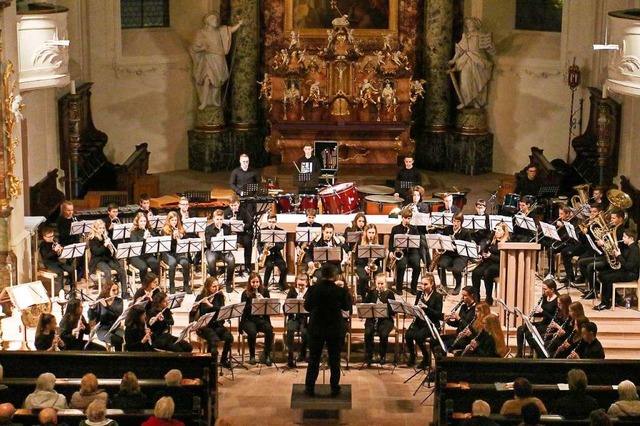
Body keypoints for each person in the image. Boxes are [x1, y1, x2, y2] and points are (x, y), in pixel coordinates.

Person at [304, 263, 351, 398]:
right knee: (334, 360)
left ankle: (309, 388)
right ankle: (335, 389)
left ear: (321, 275)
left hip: (317, 328)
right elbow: (347, 308)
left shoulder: (314, 289)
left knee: (314, 358)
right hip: (334, 329)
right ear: (334, 276)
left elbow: (307, 307)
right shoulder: (340, 291)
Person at [190, 12, 243, 109]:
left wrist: (239, 24)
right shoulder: (201, 32)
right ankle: (204, 101)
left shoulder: (219, 31)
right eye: (213, 20)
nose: (216, 21)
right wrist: (202, 48)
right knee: (207, 79)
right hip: (208, 58)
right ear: (208, 21)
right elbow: (194, 47)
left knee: (218, 80)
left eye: (216, 20)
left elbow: (230, 30)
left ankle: (214, 99)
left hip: (219, 58)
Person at [578, 208, 625, 300]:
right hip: (606, 256)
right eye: (611, 218)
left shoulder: (622, 231)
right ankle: (594, 289)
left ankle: (595, 290)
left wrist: (604, 243)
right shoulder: (612, 228)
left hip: (615, 259)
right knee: (582, 262)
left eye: (613, 218)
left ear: (620, 219)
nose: (611, 220)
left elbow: (618, 246)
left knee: (591, 266)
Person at [448, 17, 495, 109]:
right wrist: (454, 59)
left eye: (471, 24)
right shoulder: (466, 36)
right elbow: (460, 50)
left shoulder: (482, 36)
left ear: (476, 25)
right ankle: (466, 101)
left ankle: (477, 101)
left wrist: (491, 48)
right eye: (468, 24)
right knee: (465, 81)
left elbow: (491, 51)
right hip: (467, 60)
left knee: (479, 81)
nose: (469, 25)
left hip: (479, 61)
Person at [594, 228, 639, 310]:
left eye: (625, 237)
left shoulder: (634, 250)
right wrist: (617, 254)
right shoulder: (628, 247)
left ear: (631, 238)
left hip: (630, 274)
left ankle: (605, 303)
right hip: (625, 271)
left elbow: (629, 266)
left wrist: (619, 256)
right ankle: (616, 298)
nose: (622, 239)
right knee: (601, 274)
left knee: (606, 278)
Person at [193, 277, 233, 368]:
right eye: (213, 287)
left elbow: (221, 310)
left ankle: (223, 360)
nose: (216, 288)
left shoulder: (219, 296)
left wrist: (210, 305)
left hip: (217, 324)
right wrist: (194, 309)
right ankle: (210, 362)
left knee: (229, 338)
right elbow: (193, 315)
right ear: (207, 287)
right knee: (214, 340)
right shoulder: (201, 297)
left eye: (217, 286)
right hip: (205, 327)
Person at [406, 273, 442, 368]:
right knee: (408, 335)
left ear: (432, 284)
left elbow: (438, 314)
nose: (423, 286)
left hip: (431, 323)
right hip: (420, 321)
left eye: (425, 284)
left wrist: (426, 307)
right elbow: (416, 307)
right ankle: (412, 356)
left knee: (418, 337)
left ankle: (426, 357)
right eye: (422, 284)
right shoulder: (420, 294)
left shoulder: (438, 296)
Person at [516, 279, 558, 358]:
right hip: (543, 322)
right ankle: (519, 353)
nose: (543, 291)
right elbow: (543, 313)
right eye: (543, 289)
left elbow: (554, 318)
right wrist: (533, 315)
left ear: (552, 289)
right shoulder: (545, 297)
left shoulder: (556, 301)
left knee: (529, 334)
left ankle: (537, 354)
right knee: (521, 329)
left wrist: (543, 311)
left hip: (550, 325)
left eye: (545, 289)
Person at [240, 273, 274, 366]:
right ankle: (252, 355)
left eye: (257, 282)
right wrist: (254, 303)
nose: (255, 284)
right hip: (249, 319)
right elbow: (243, 309)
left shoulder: (265, 291)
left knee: (269, 330)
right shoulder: (245, 293)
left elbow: (269, 307)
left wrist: (263, 301)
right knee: (252, 332)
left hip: (261, 319)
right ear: (249, 282)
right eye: (253, 282)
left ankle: (267, 355)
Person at [87, 219, 127, 297]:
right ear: (95, 229)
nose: (102, 230)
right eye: (100, 228)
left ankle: (124, 293)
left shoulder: (105, 237)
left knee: (121, 270)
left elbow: (109, 253)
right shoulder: (92, 239)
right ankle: (108, 293)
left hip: (107, 258)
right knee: (107, 271)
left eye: (103, 228)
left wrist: (110, 248)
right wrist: (105, 245)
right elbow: (97, 252)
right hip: (98, 260)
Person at [472, 221, 508, 305]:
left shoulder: (506, 242)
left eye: (499, 230)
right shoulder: (492, 240)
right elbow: (486, 250)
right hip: (488, 262)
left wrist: (490, 256)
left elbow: (503, 259)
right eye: (495, 230)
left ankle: (489, 297)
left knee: (487, 272)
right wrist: (482, 255)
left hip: (499, 265)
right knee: (476, 272)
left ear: (504, 232)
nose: (496, 232)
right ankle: (476, 296)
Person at [363, 273, 395, 366]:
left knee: (384, 334)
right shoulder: (371, 292)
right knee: (368, 333)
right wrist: (372, 306)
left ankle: (382, 355)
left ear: (386, 283)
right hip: (372, 319)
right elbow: (365, 305)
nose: (380, 286)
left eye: (382, 284)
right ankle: (369, 355)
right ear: (375, 283)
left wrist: (384, 307)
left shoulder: (390, 294)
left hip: (386, 320)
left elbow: (393, 311)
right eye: (378, 284)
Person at [389, 209, 421, 295]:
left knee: (417, 266)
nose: (407, 220)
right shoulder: (395, 229)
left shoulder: (414, 229)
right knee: (401, 265)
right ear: (402, 218)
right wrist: (391, 252)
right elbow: (391, 242)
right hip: (401, 253)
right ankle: (399, 287)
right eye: (405, 218)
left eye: (409, 218)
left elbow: (417, 243)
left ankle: (413, 287)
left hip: (412, 252)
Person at [437, 212, 470, 295]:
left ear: (461, 222)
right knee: (440, 265)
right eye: (454, 221)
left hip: (460, 256)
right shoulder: (447, 229)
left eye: (458, 221)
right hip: (448, 254)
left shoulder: (466, 232)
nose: (455, 223)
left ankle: (458, 285)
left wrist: (456, 245)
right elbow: (443, 243)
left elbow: (467, 248)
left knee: (457, 269)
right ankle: (444, 285)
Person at [87, 282, 124, 351]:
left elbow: (117, 314)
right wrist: (91, 309)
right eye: (113, 290)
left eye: (117, 290)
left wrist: (106, 306)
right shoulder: (99, 301)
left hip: (115, 327)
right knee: (116, 339)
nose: (116, 292)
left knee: (124, 337)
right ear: (107, 290)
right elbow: (91, 318)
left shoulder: (119, 301)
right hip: (102, 329)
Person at [160, 211, 191, 294]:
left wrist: (180, 238)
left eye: (175, 220)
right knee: (172, 263)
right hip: (167, 253)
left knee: (185, 263)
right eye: (172, 220)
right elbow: (164, 246)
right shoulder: (164, 230)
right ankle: (172, 286)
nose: (174, 222)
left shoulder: (181, 229)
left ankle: (186, 285)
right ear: (168, 221)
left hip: (178, 252)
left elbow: (185, 244)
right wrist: (171, 238)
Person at [39, 226, 73, 299]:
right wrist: (54, 250)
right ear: (44, 237)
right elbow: (47, 256)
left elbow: (57, 256)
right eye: (49, 237)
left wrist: (60, 251)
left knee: (71, 269)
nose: (51, 238)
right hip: (48, 264)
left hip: (56, 262)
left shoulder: (54, 242)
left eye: (52, 236)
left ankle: (72, 290)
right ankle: (61, 292)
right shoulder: (43, 245)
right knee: (59, 272)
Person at [205, 209, 235, 293]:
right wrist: (216, 239)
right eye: (217, 219)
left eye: (221, 219)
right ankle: (214, 282)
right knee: (211, 261)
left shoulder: (227, 228)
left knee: (232, 261)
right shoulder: (208, 229)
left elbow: (230, 242)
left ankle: (228, 282)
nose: (219, 221)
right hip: (212, 250)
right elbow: (207, 244)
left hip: (224, 250)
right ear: (214, 219)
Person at [224, 195, 254, 275]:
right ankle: (223, 267)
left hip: (242, 234)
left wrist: (243, 225)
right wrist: (229, 222)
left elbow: (250, 223)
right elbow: (222, 225)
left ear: (238, 204)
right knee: (223, 243)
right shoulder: (226, 212)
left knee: (248, 242)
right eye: (231, 205)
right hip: (231, 234)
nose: (233, 207)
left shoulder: (244, 211)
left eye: (235, 205)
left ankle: (247, 265)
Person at [285, 273, 310, 368]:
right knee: (290, 330)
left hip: (305, 319)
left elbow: (313, 307)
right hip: (294, 318)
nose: (300, 287)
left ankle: (303, 353)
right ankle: (290, 355)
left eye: (302, 285)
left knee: (305, 332)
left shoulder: (309, 292)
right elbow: (285, 307)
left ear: (307, 283)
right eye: (299, 284)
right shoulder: (292, 291)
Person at [442, 286, 477, 351]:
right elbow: (458, 324)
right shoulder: (463, 307)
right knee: (438, 340)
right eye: (462, 295)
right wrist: (448, 320)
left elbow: (470, 327)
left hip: (467, 339)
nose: (462, 298)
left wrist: (459, 318)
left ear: (471, 296)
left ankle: (444, 360)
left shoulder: (476, 310)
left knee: (444, 345)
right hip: (458, 335)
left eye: (465, 296)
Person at [259, 213, 288, 291]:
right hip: (267, 255)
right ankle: (265, 284)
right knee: (269, 266)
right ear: (267, 221)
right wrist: (261, 252)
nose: (271, 223)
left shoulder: (280, 231)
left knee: (284, 268)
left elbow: (281, 246)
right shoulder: (262, 231)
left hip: (277, 255)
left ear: (276, 222)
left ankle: (281, 283)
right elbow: (259, 245)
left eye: (273, 222)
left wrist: (274, 244)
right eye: (270, 221)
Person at [128, 212, 160, 281]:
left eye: (144, 221)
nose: (143, 223)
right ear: (137, 222)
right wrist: (144, 238)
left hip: (147, 254)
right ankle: (144, 286)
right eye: (141, 221)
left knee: (155, 265)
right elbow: (136, 246)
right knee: (143, 267)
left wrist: (151, 238)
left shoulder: (149, 230)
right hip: (136, 256)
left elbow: (156, 242)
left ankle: (155, 284)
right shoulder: (133, 233)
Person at [355, 224, 382, 298]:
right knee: (363, 277)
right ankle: (363, 296)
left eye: (373, 233)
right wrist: (365, 267)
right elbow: (358, 258)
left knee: (380, 273)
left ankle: (378, 294)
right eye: (369, 232)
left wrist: (375, 264)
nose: (371, 235)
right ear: (366, 233)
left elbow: (381, 257)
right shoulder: (360, 241)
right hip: (362, 265)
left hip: (374, 265)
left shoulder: (378, 241)